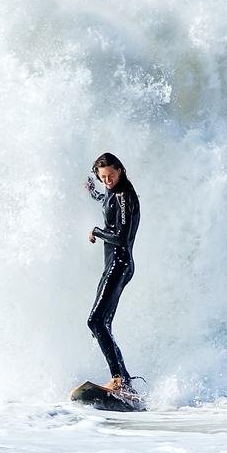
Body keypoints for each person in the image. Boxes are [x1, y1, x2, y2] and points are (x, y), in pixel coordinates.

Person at [85, 152, 140, 398]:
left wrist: (97, 231)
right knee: (102, 323)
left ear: (120, 170)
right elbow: (105, 199)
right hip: (112, 266)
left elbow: (121, 236)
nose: (107, 181)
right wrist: (91, 191)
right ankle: (124, 381)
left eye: (110, 176)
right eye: (102, 177)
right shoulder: (112, 192)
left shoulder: (125, 196)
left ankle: (119, 379)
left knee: (95, 321)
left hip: (120, 264)